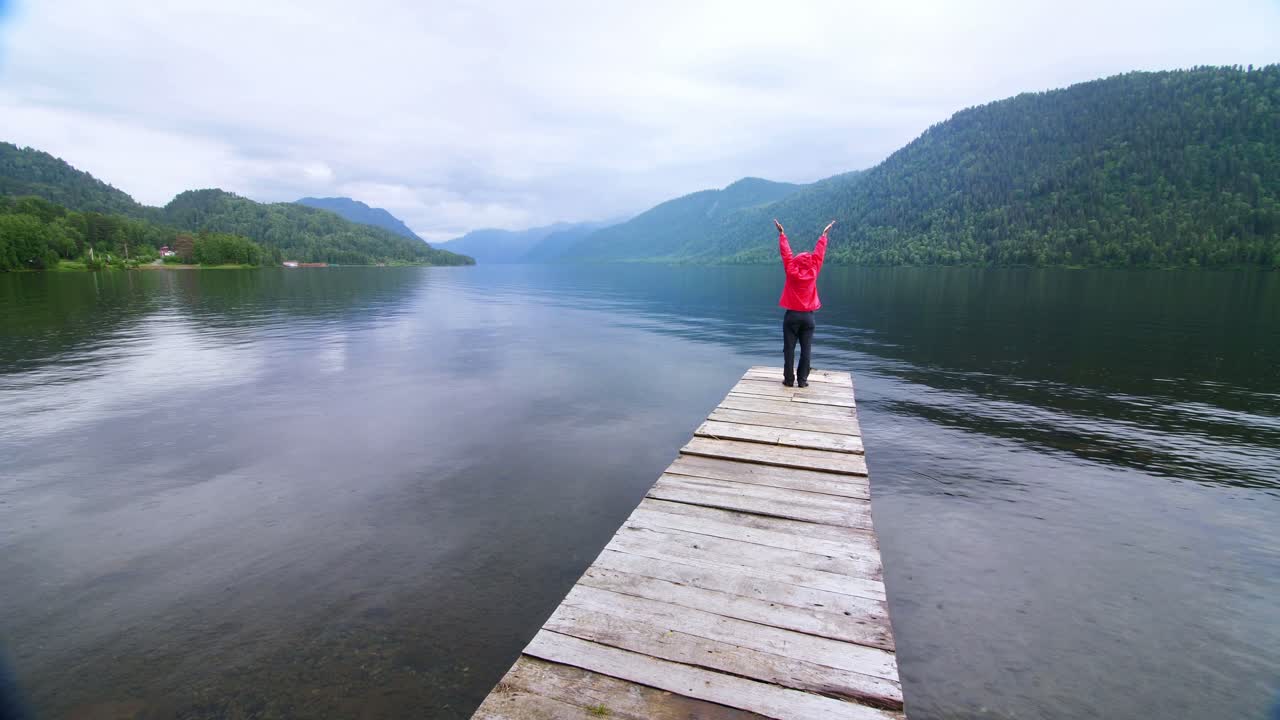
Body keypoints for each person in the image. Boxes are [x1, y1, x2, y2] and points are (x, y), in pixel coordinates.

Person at [774, 218, 835, 387]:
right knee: (806, 351)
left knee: (789, 350)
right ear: (809, 263)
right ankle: (802, 381)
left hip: (792, 316)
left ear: (796, 262)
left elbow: (786, 254)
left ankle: (788, 380)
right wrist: (823, 236)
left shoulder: (791, 270)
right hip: (808, 318)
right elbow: (819, 255)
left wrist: (782, 235)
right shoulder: (813, 270)